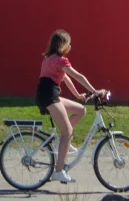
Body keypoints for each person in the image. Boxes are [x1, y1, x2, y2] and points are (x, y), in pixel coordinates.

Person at [35, 29, 106, 185]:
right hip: (49, 96)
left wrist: (78, 95)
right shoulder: (61, 61)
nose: (70, 46)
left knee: (81, 110)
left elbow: (66, 78)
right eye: (69, 43)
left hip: (46, 94)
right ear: (63, 45)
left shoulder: (49, 58)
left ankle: (62, 141)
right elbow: (77, 75)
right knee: (67, 133)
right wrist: (94, 91)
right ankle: (59, 172)